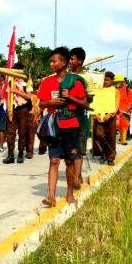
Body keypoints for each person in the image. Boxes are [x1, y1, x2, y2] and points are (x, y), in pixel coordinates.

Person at [37, 47, 88, 207]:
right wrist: (50, 103)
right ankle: (51, 196)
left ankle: (69, 193)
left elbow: (85, 104)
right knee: (53, 161)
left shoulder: (76, 81)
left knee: (70, 162)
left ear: (64, 62)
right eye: (51, 61)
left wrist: (70, 97)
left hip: (72, 126)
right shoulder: (47, 82)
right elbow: (40, 102)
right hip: (54, 127)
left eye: (54, 61)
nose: (51, 64)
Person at [69, 47, 93, 188]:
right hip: (66, 118)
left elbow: (90, 99)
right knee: (69, 150)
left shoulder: (87, 78)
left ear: (80, 61)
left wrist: (80, 92)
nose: (70, 62)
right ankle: (74, 175)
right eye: (70, 59)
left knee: (79, 149)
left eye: (72, 59)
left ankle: (77, 177)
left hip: (81, 118)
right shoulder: (65, 77)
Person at [3, 62, 35, 164]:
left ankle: (21, 153)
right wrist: (9, 110)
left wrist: (16, 91)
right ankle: (10, 154)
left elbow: (29, 97)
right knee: (10, 132)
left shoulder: (27, 81)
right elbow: (8, 97)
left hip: (23, 109)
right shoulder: (10, 82)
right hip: (13, 109)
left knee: (22, 132)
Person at [91, 71, 119, 164]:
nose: (105, 82)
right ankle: (102, 153)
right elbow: (94, 103)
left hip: (110, 116)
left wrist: (110, 114)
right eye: (104, 80)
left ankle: (110, 157)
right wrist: (96, 114)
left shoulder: (115, 91)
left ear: (111, 81)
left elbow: (116, 104)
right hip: (99, 116)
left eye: (107, 80)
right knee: (99, 135)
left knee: (111, 137)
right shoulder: (98, 90)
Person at [115, 75, 132, 145]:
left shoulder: (127, 90)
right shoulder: (115, 90)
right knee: (119, 125)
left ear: (123, 82)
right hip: (117, 111)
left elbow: (130, 101)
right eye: (116, 82)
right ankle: (122, 139)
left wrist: (126, 108)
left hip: (125, 111)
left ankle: (124, 140)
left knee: (125, 125)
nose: (117, 83)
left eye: (119, 82)